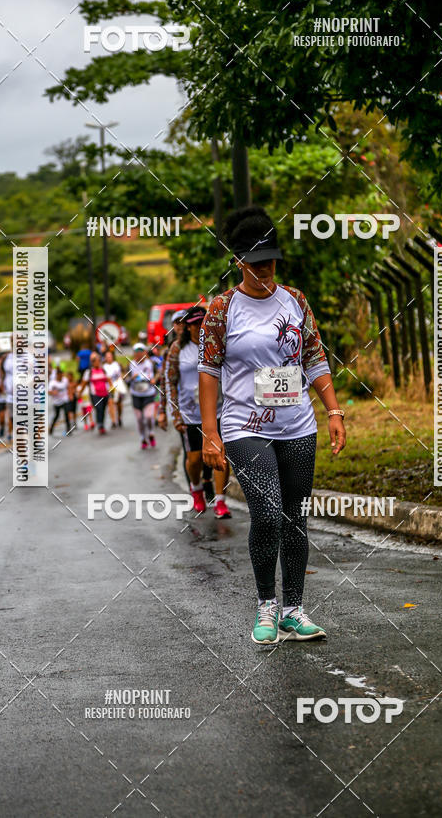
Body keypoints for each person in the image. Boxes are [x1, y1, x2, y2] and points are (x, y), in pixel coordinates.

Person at [199, 206, 346, 645]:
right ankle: (266, 606)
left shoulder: (296, 301)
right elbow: (208, 370)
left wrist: (334, 411)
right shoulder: (223, 309)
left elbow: (315, 357)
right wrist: (210, 431)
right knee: (266, 515)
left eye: (271, 263)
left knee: (295, 516)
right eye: (256, 264)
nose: (265, 271)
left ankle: (294, 610)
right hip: (246, 425)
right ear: (239, 262)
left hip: (298, 424)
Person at [169, 305, 231, 519]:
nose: (197, 327)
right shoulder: (178, 349)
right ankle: (196, 490)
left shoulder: (218, 345)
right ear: (187, 326)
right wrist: (174, 414)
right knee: (194, 459)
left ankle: (221, 501)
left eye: (201, 322)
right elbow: (170, 381)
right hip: (191, 414)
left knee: (221, 457)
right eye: (193, 323)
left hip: (219, 410)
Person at [127, 343, 157, 449]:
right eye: (136, 353)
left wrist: (154, 379)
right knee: (139, 418)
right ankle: (143, 438)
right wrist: (132, 378)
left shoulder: (151, 363)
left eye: (141, 352)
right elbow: (125, 379)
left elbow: (158, 374)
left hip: (148, 393)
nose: (139, 355)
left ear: (145, 353)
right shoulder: (131, 364)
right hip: (136, 394)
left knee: (148, 416)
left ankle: (151, 433)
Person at [78, 352, 110, 434]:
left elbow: (108, 380)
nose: (96, 362)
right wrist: (79, 393)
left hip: (105, 393)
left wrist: (112, 388)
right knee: (99, 408)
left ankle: (101, 423)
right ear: (92, 362)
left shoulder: (103, 370)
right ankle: (100, 425)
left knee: (103, 409)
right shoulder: (88, 372)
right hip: (95, 394)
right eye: (94, 360)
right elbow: (84, 383)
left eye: (98, 360)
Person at [48, 367, 72, 435]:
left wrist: (70, 395)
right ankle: (51, 428)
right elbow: (48, 391)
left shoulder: (65, 380)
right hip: (57, 402)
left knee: (67, 414)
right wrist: (53, 392)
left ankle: (68, 429)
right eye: (59, 375)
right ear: (57, 375)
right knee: (57, 416)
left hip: (65, 399)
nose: (61, 376)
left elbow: (68, 387)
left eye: (62, 375)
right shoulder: (52, 383)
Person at [104, 350, 124, 428]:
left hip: (118, 387)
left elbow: (121, 375)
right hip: (109, 388)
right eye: (107, 357)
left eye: (110, 356)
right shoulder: (104, 367)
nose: (109, 358)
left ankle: (119, 417)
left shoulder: (116, 365)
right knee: (110, 403)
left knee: (119, 404)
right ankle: (113, 421)